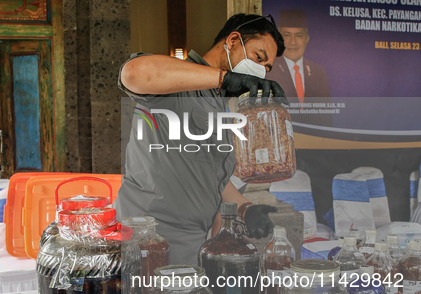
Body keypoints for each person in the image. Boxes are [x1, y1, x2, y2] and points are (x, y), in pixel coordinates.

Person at [115, 13, 287, 266]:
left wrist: (245, 208)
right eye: (258, 57)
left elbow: (206, 172)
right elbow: (134, 73)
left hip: (195, 238)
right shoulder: (178, 85)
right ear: (233, 40)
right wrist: (224, 77)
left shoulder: (218, 105)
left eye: (267, 67)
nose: (260, 71)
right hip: (150, 236)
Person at [267, 10, 330, 101]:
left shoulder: (319, 72)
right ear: (279, 39)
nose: (293, 42)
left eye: (298, 35)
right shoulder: (269, 70)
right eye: (287, 35)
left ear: (306, 39)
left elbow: (326, 112)